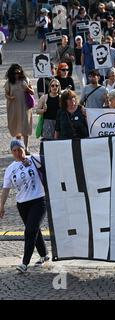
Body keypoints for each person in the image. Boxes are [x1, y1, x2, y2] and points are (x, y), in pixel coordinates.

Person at [0, 140, 50, 273]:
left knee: (30, 231)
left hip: (39, 200)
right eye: (14, 150)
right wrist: (1, 206)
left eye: (19, 149)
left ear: (24, 149)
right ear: (11, 152)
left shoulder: (34, 159)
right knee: (34, 229)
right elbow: (6, 189)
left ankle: (25, 263)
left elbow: (53, 158)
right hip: (22, 204)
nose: (17, 153)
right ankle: (44, 254)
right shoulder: (10, 169)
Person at [4, 64, 34, 153]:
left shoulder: (26, 80)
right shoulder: (9, 82)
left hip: (25, 107)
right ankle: (20, 147)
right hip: (14, 107)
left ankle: (26, 147)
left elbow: (32, 92)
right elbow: (6, 93)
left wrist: (27, 88)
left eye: (18, 72)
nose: (17, 75)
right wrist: (9, 97)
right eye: (14, 73)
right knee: (17, 127)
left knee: (25, 126)